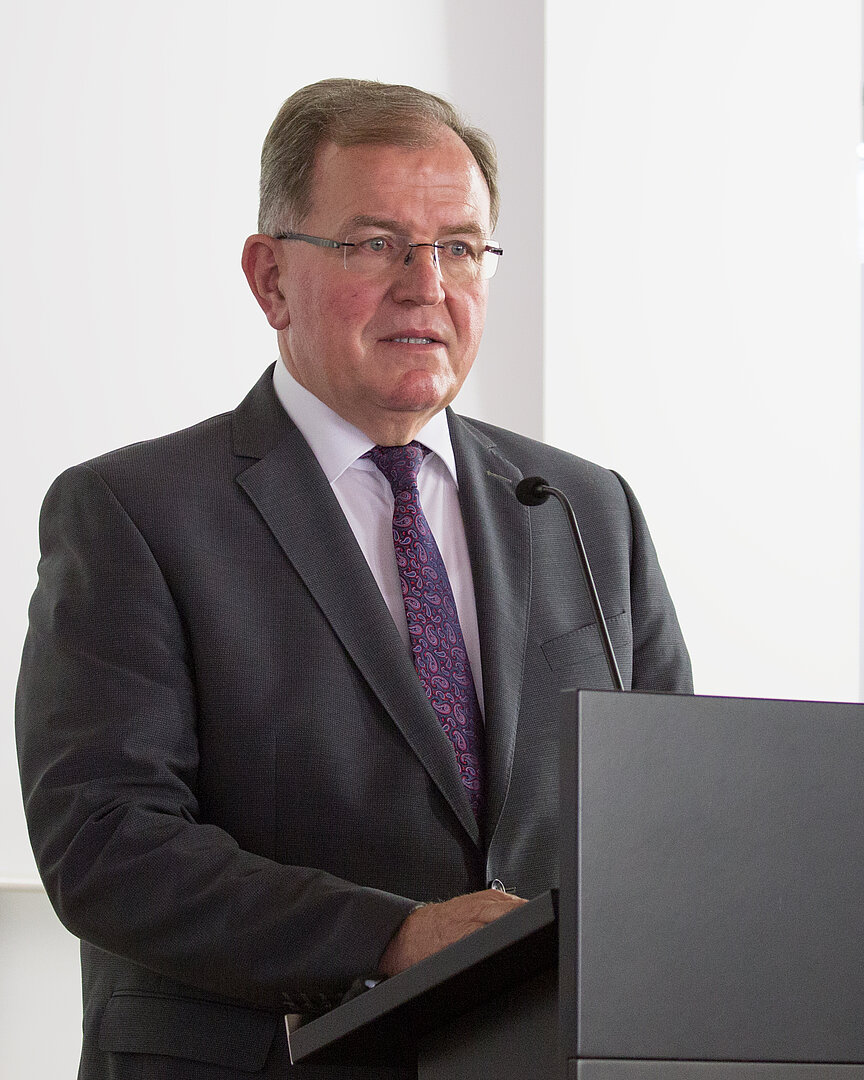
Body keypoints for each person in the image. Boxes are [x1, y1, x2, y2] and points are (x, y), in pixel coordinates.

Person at [16, 78, 692, 1080]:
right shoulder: (132, 513)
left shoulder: (584, 509)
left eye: (459, 247)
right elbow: (107, 843)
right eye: (376, 244)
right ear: (270, 279)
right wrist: (395, 936)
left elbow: (672, 811)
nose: (427, 286)